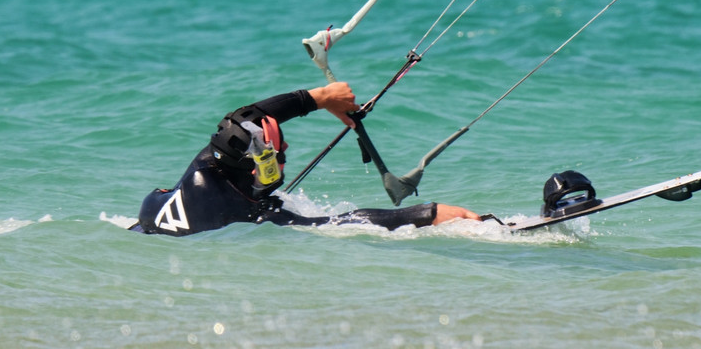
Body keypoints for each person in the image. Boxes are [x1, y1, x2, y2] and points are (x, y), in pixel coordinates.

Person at [130, 82, 479, 236]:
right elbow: (341, 224)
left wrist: (322, 97)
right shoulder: (250, 214)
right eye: (278, 156)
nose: (284, 158)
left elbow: (240, 124)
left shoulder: (202, 171)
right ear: (259, 167)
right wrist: (426, 213)